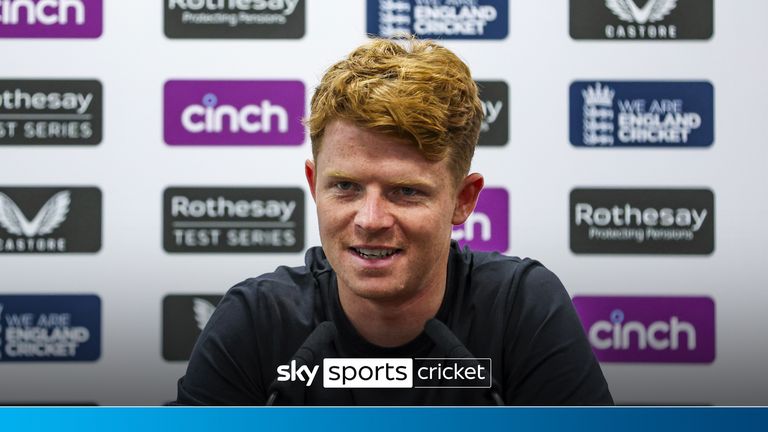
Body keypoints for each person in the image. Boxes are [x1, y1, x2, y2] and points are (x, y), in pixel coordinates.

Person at [174, 38, 613, 405]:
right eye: (345, 187)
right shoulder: (258, 319)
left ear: (463, 200)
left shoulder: (522, 308)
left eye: (406, 191)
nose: (370, 220)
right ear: (313, 184)